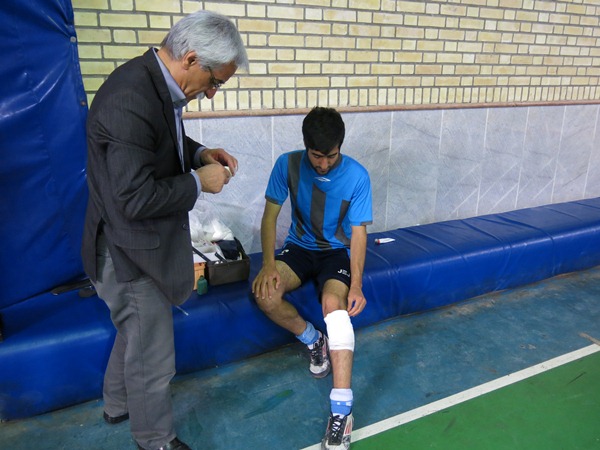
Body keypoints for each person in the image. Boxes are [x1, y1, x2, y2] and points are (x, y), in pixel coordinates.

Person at [81, 11, 248, 450]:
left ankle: (117, 404)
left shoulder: (155, 84)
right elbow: (132, 199)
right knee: (153, 355)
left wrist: (199, 154)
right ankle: (154, 438)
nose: (211, 93)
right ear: (191, 58)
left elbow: (158, 143)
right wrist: (198, 182)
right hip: (126, 250)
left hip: (134, 242)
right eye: (215, 82)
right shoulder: (131, 97)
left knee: (135, 333)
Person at [252, 107, 373, 450]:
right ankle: (313, 340)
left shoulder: (357, 176)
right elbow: (270, 217)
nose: (323, 164)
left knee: (334, 305)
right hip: (299, 248)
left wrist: (357, 285)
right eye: (316, 156)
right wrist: (268, 264)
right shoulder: (287, 164)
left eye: (330, 156)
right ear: (306, 147)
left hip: (336, 252)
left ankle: (342, 412)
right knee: (265, 295)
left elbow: (359, 234)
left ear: (340, 147)